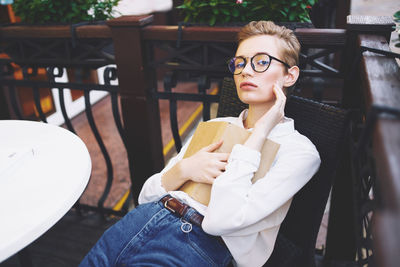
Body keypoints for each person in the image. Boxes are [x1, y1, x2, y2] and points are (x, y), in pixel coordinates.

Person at [79, 21, 321, 267]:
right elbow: (146, 195)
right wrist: (185, 169)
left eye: (261, 62)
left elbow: (218, 222)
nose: (246, 71)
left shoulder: (299, 152)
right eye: (240, 63)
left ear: (289, 75)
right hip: (137, 223)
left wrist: (259, 134)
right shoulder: (217, 125)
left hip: (194, 244)